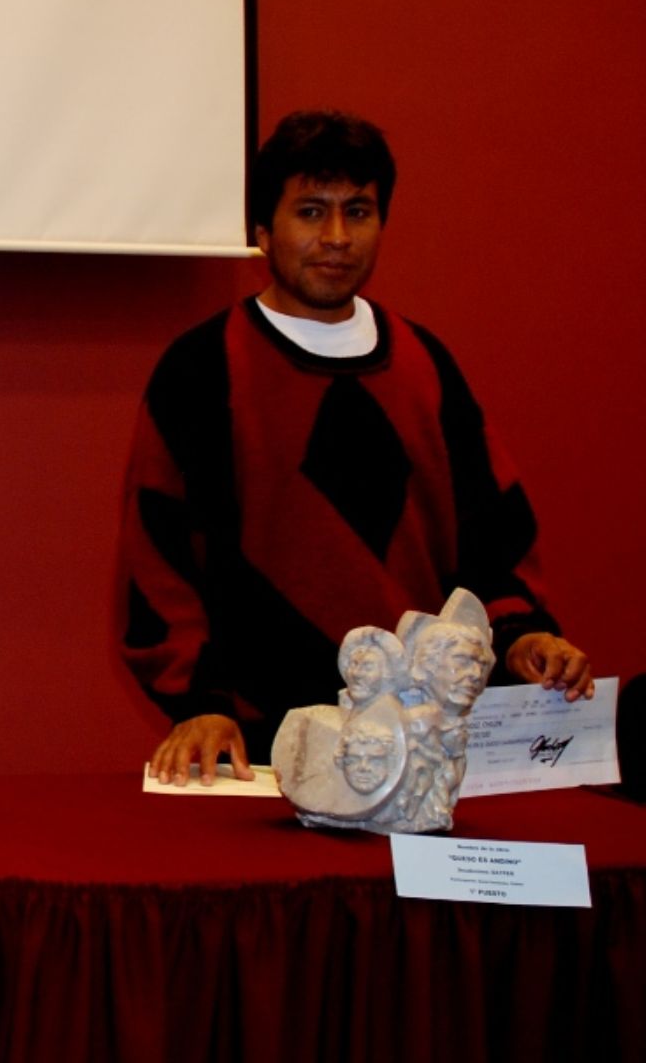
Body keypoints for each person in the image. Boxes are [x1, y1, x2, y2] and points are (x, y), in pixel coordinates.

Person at [122, 109, 593, 786]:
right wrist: (198, 703)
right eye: (311, 211)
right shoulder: (201, 371)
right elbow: (155, 557)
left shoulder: (427, 368)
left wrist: (525, 637)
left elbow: (497, 535)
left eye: (359, 211)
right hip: (260, 750)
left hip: (426, 748)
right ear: (262, 230)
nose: (337, 237)